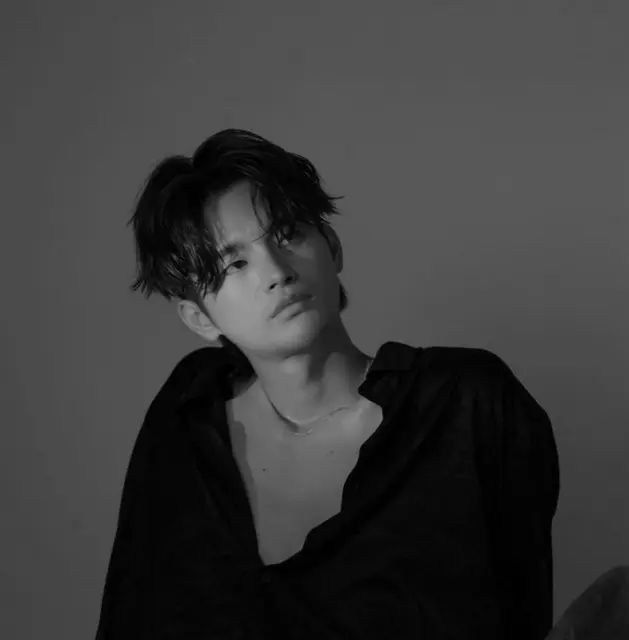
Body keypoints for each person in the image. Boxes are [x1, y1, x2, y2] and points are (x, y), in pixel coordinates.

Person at [95, 129, 561, 639]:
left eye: (288, 234)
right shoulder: (186, 415)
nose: (277, 272)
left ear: (332, 248)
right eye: (235, 263)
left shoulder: (466, 405)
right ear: (200, 318)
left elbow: (520, 616)